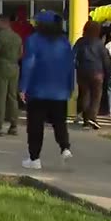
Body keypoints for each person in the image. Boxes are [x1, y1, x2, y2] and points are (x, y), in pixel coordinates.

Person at [18, 11, 75, 170]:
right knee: (59, 121)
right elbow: (71, 67)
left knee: (35, 125)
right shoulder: (64, 42)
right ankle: (65, 147)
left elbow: (29, 64)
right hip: (60, 90)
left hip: (38, 90)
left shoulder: (33, 41)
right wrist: (70, 86)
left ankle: (34, 158)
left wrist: (23, 87)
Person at [0, 14, 23, 136]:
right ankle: (13, 126)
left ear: (3, 22)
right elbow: (21, 53)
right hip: (14, 67)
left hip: (1, 68)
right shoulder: (17, 37)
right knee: (12, 97)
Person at [73, 21, 111, 130]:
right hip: (97, 72)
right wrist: (107, 71)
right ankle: (92, 117)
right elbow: (105, 59)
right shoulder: (99, 43)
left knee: (85, 94)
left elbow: (73, 55)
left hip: (82, 72)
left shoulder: (80, 42)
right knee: (96, 96)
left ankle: (86, 119)